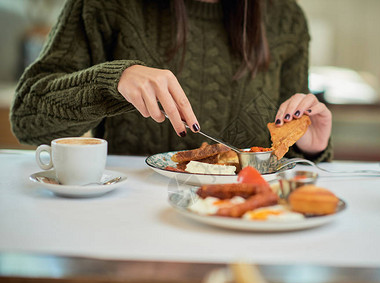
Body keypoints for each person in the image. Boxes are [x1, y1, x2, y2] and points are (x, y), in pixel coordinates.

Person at [10, 0, 332, 162]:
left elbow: (283, 161)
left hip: (247, 223)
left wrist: (309, 149)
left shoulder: (285, 17)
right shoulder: (105, 6)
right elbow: (27, 121)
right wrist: (112, 81)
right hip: (127, 220)